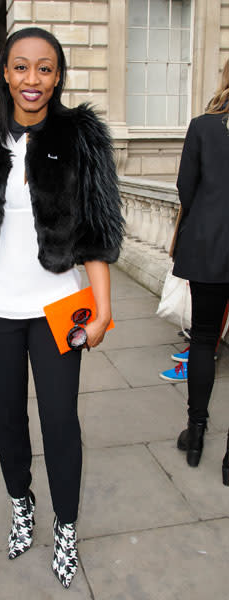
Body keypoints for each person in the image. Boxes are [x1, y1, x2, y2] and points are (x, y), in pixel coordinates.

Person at [0, 28, 123, 587]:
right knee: (6, 414)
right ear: (5, 73)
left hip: (62, 304)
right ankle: (21, 502)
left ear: (57, 76)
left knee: (61, 420)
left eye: (44, 69)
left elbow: (98, 232)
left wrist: (103, 307)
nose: (31, 80)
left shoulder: (80, 137)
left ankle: (65, 524)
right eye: (21, 68)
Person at [172, 60, 229, 484]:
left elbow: (185, 189)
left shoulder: (203, 127)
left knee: (204, 340)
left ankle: (196, 434)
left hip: (209, 248)